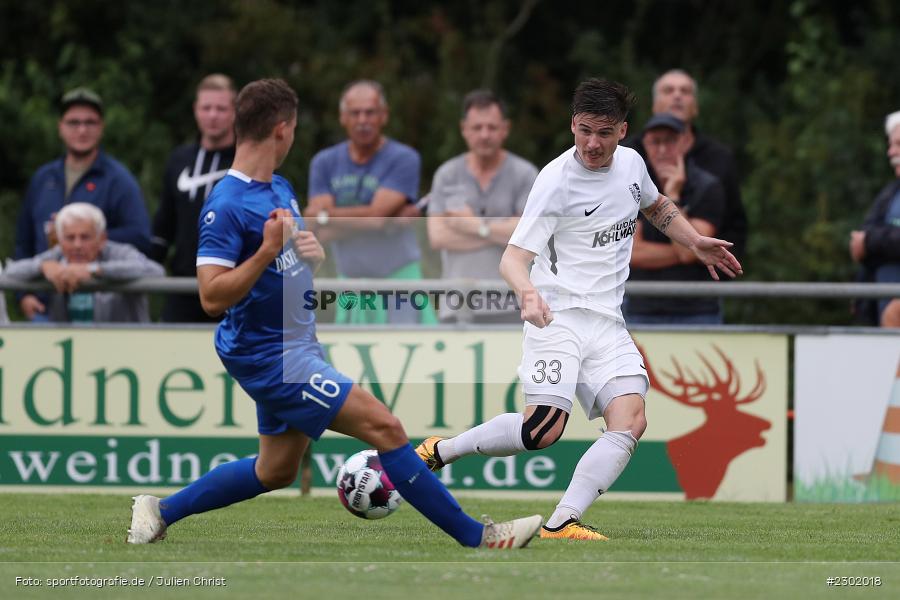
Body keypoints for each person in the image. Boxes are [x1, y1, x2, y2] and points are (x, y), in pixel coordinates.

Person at [126, 78, 542, 549]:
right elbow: (211, 296)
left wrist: (309, 255)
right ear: (282, 130)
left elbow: (289, 261)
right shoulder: (225, 205)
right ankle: (480, 537)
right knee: (385, 427)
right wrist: (265, 252)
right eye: (296, 128)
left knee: (275, 469)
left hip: (297, 345)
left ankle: (160, 511)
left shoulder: (279, 188)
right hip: (271, 355)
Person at [416, 79, 742, 540]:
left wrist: (695, 242)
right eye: (584, 130)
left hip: (608, 323)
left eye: (604, 133)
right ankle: (442, 449)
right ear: (572, 125)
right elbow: (512, 258)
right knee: (542, 431)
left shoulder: (631, 165)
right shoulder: (554, 182)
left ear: (623, 131)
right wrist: (528, 293)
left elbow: (655, 205)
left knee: (631, 419)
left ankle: (561, 521)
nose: (592, 143)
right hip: (558, 317)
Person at [14, 87, 151, 321]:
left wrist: (84, 237)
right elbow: (23, 242)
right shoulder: (43, 178)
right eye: (73, 122)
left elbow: (140, 237)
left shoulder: (118, 179)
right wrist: (22, 294)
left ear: (101, 127)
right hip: (45, 302)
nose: (82, 129)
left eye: (90, 122)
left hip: (100, 304)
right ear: (60, 127)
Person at [304, 80, 434, 324]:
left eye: (370, 112)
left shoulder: (404, 158)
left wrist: (329, 216)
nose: (362, 120)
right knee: (349, 361)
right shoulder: (324, 162)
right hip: (350, 284)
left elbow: (375, 217)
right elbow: (317, 230)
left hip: (400, 281)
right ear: (343, 117)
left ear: (383, 116)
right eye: (355, 113)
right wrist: (383, 221)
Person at [427, 89, 538, 324]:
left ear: (505, 129)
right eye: (477, 128)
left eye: (492, 127)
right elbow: (437, 237)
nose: (484, 135)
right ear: (464, 129)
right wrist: (501, 231)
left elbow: (528, 235)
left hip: (513, 304)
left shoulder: (525, 173)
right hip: (457, 305)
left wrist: (472, 225)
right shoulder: (447, 175)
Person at [626, 69, 746, 261]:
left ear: (695, 107)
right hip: (634, 285)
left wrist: (674, 197)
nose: (677, 95)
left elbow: (731, 230)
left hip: (703, 282)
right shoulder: (627, 155)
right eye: (668, 90)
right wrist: (691, 248)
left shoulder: (718, 160)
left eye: (685, 91)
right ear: (655, 106)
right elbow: (626, 250)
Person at [150, 74, 237, 322]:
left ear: (235, 112)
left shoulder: (248, 161)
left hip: (234, 290)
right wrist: (146, 268)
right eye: (206, 108)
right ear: (196, 110)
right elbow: (163, 226)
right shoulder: (179, 160)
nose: (213, 115)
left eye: (221, 108)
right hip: (184, 287)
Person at [626, 113, 726, 324]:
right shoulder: (632, 186)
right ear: (645, 145)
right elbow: (631, 252)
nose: (662, 150)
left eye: (669, 141)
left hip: (697, 311)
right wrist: (688, 246)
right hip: (641, 308)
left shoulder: (708, 187)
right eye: (655, 142)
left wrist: (673, 197)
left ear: (685, 143)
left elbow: (689, 251)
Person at [5, 203, 163, 322]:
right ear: (60, 240)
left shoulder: (120, 252)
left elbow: (156, 271)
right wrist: (42, 267)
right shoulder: (57, 255)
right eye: (70, 238)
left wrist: (94, 270)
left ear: (101, 239)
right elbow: (10, 272)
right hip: (69, 351)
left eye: (85, 237)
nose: (77, 245)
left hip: (124, 351)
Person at [851, 110, 900, 328]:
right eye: (890, 145)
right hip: (879, 319)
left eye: (898, 144)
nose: (891, 152)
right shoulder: (891, 192)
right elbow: (863, 234)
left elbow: (866, 239)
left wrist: (870, 242)